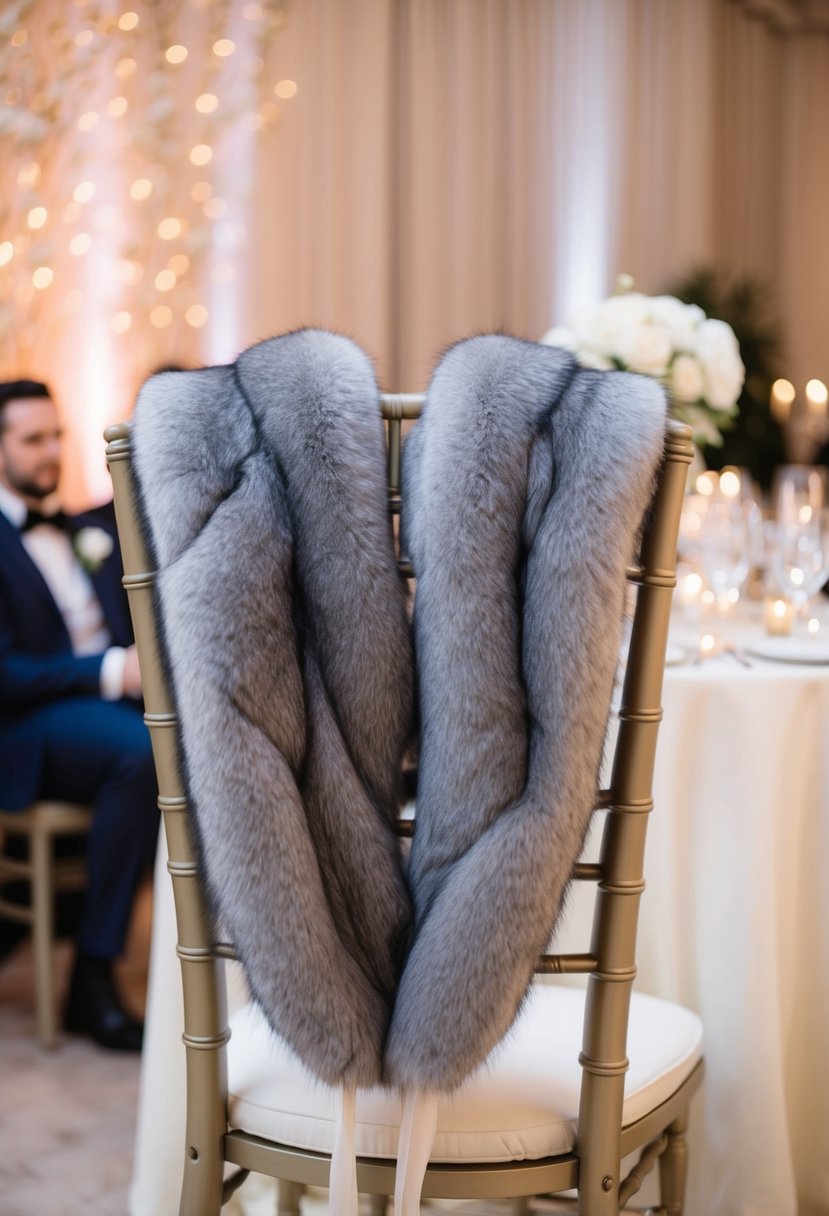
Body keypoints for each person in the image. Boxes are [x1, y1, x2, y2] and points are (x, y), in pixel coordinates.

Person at [0, 378, 158, 1051]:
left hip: (105, 715)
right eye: (33, 439)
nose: (52, 450)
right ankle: (93, 978)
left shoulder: (89, 530)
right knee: (149, 755)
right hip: (29, 724)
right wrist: (109, 670)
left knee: (196, 746)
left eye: (57, 435)